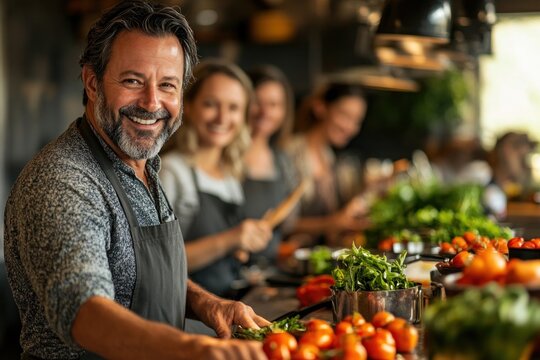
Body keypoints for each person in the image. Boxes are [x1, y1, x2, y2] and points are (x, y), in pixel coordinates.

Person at [4, 2, 269, 359]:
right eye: (133, 81)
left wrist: (208, 305)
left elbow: (133, 275)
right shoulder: (63, 180)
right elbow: (85, 311)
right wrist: (192, 348)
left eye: (168, 85)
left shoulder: (142, 163)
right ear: (92, 82)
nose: (151, 102)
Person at [159, 59, 272, 298]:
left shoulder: (230, 173)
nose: (222, 118)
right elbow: (159, 262)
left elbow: (230, 246)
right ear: (188, 105)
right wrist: (231, 239)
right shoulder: (173, 171)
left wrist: (242, 244)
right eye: (211, 104)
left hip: (228, 302)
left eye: (233, 108)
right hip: (187, 314)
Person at [285, 82, 369, 245]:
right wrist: (331, 223)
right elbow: (283, 222)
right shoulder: (290, 153)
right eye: (345, 115)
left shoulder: (328, 156)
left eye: (357, 121)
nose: (350, 127)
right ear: (321, 108)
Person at [242, 65, 298, 265]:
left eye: (274, 104)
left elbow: (289, 223)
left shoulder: (282, 160)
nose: (265, 112)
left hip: (269, 273)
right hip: (228, 275)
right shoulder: (226, 156)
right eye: (258, 102)